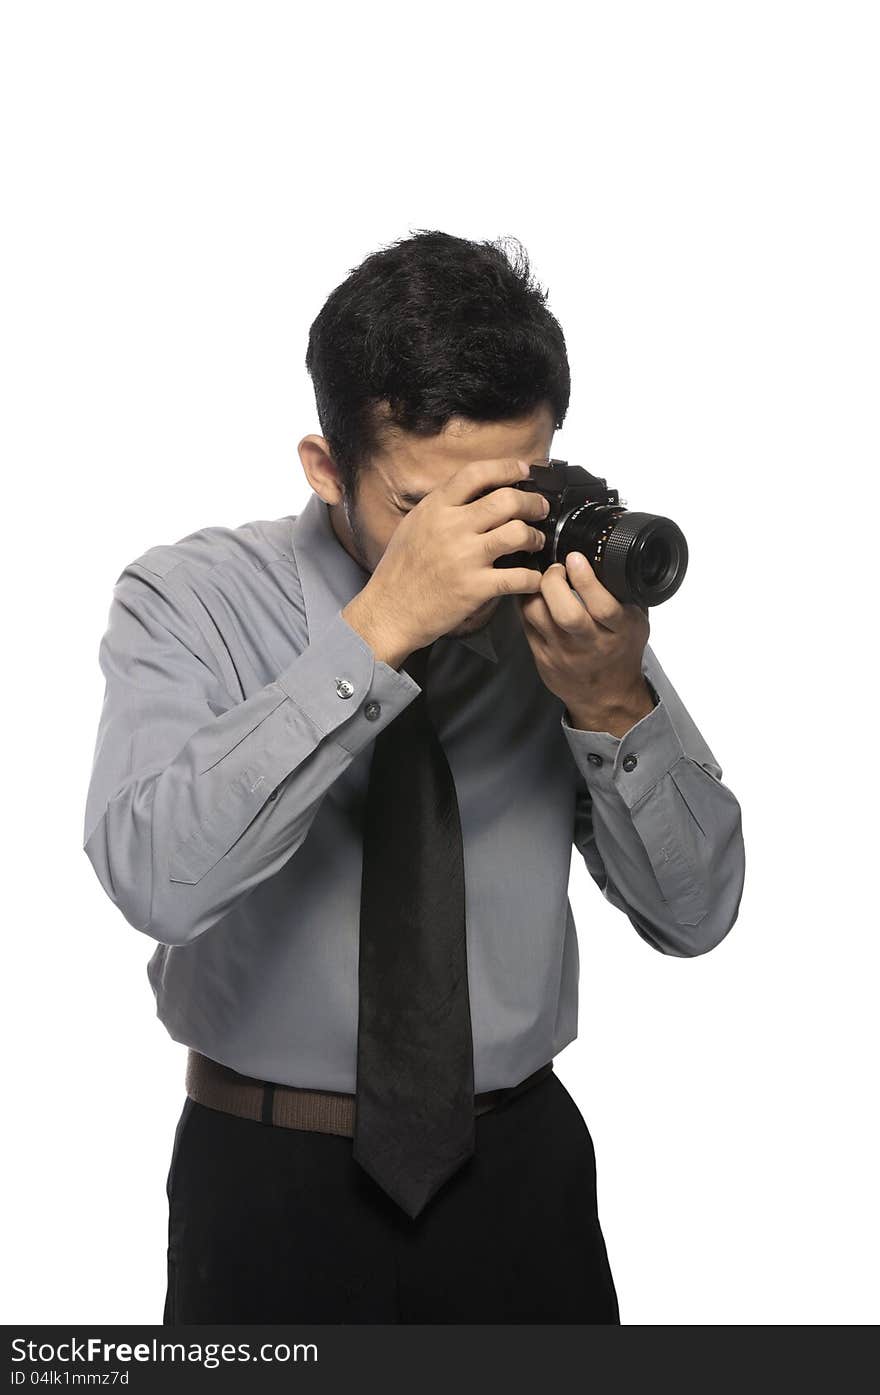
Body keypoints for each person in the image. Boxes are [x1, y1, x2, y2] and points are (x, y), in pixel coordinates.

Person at [82, 229, 745, 1324]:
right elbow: (156, 879)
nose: (472, 545)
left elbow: (698, 915)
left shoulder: (560, 613)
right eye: (420, 508)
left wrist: (611, 702)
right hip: (267, 1176)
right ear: (326, 466)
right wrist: (379, 630)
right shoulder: (188, 598)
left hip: (521, 1172)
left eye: (509, 495)